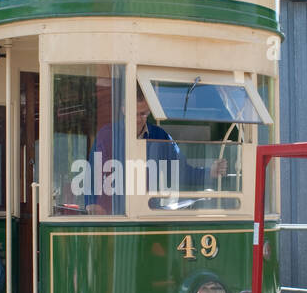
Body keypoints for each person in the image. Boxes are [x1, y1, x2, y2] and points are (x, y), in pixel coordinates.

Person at [87, 91, 223, 213]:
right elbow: (92, 174)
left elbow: (180, 171)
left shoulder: (160, 136)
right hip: (113, 216)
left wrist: (209, 172)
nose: (138, 119)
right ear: (124, 110)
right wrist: (91, 204)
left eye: (143, 114)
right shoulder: (107, 135)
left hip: (148, 214)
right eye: (134, 113)